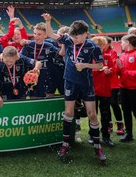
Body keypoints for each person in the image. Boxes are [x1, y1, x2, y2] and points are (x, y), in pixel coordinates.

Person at [42, 13, 106, 164]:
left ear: (85, 35)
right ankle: (65, 144)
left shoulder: (92, 46)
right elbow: (51, 34)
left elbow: (100, 65)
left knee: (92, 114)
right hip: (70, 81)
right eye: (72, 37)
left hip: (86, 83)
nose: (74, 40)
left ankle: (97, 146)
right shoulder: (69, 40)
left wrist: (85, 65)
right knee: (69, 112)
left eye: (76, 37)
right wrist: (48, 21)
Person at [116, 34, 136, 149]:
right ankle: (129, 134)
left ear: (128, 42)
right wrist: (115, 69)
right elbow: (119, 73)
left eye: (122, 42)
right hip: (123, 88)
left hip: (135, 89)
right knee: (126, 112)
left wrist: (123, 69)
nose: (121, 44)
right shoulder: (123, 55)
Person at [20, 22, 59, 98]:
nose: (36, 36)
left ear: (45, 35)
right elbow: (19, 55)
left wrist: (64, 42)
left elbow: (61, 53)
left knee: (47, 100)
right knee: (33, 98)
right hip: (31, 77)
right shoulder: (29, 45)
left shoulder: (49, 46)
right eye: (35, 33)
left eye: (39, 34)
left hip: (46, 78)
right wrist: (32, 61)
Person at [91, 36, 114, 147]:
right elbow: (87, 71)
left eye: (101, 45)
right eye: (98, 45)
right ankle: (92, 136)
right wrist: (99, 70)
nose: (100, 48)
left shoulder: (108, 57)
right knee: (93, 114)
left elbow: (113, 71)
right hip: (92, 90)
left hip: (105, 89)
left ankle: (106, 136)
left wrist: (109, 71)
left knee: (105, 114)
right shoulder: (89, 58)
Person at [104, 36, 124, 134]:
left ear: (108, 44)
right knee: (106, 105)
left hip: (113, 83)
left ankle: (120, 124)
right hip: (103, 83)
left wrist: (108, 70)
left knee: (114, 103)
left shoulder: (113, 53)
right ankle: (109, 124)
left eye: (104, 43)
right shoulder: (98, 52)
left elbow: (114, 67)